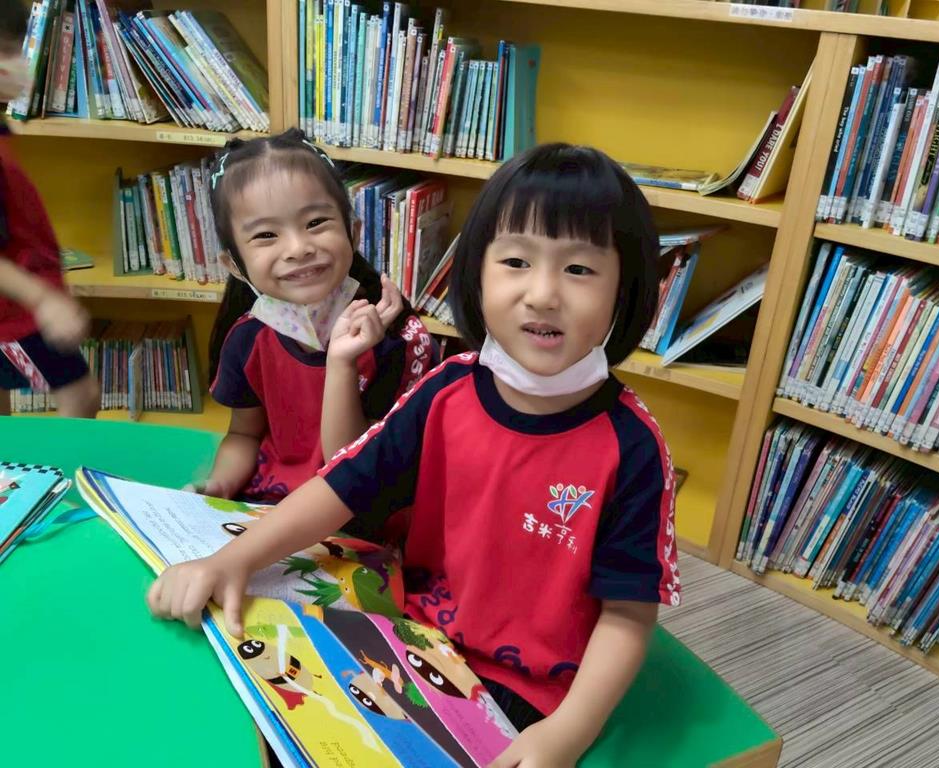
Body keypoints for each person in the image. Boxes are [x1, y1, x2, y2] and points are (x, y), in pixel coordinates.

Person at [149, 143, 681, 766]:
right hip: (403, 635)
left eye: (580, 269)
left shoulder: (632, 448)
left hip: (522, 693)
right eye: (515, 261)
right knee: (251, 712)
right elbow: (343, 485)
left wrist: (567, 734)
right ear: (477, 274)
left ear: (626, 289)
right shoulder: (446, 390)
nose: (542, 294)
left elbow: (628, 615)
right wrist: (230, 561)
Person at [200, 129, 436, 505]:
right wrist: (218, 486)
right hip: (269, 505)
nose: (298, 248)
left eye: (315, 223)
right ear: (234, 265)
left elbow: (355, 471)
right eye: (265, 235)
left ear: (353, 232)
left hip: (357, 514)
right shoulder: (248, 337)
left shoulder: (397, 339)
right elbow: (243, 435)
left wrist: (341, 362)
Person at [0, 2, 98, 417]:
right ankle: (68, 462)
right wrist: (45, 301)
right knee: (81, 395)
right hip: (17, 312)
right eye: (6, 51)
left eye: (16, 48)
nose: (17, 64)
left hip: (20, 302)